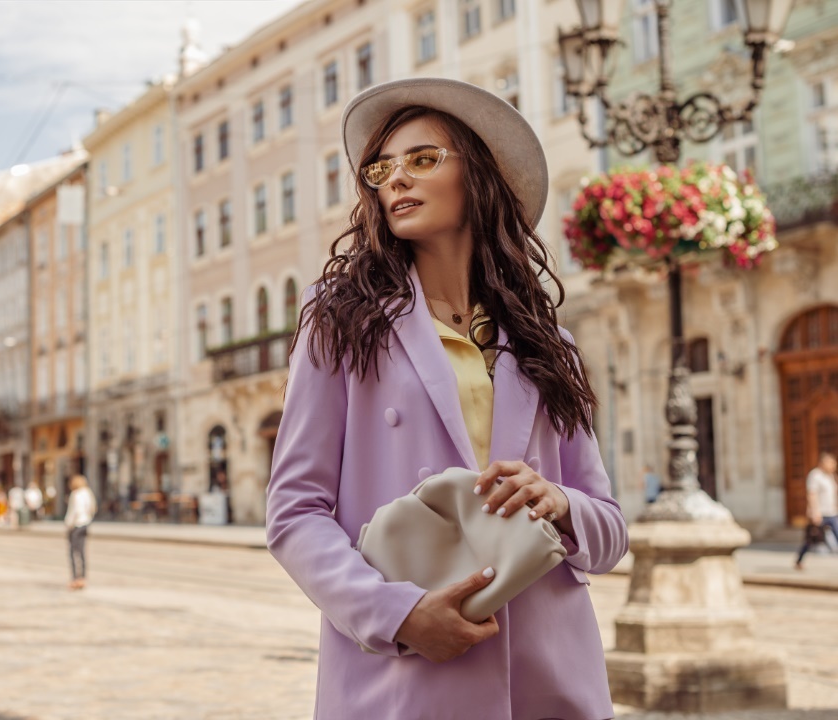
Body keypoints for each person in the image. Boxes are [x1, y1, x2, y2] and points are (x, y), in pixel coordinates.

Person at [265, 78, 629, 719]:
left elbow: (609, 528)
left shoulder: (548, 344)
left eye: (423, 159)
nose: (396, 179)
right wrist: (399, 615)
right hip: (406, 677)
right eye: (382, 168)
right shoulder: (343, 323)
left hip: (550, 674)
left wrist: (560, 502)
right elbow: (295, 512)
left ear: (481, 176)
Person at [795, 452, 838, 570]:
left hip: (832, 512)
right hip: (820, 513)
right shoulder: (815, 475)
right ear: (823, 462)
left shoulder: (830, 476)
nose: (833, 465)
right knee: (811, 539)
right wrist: (815, 512)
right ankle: (799, 559)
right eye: (831, 462)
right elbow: (812, 494)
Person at [64, 475, 97, 590]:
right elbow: (92, 509)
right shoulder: (88, 493)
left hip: (76, 525)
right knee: (82, 551)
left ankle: (75, 578)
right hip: (85, 524)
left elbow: (74, 511)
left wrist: (69, 524)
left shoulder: (76, 494)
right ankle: (83, 578)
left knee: (73, 552)